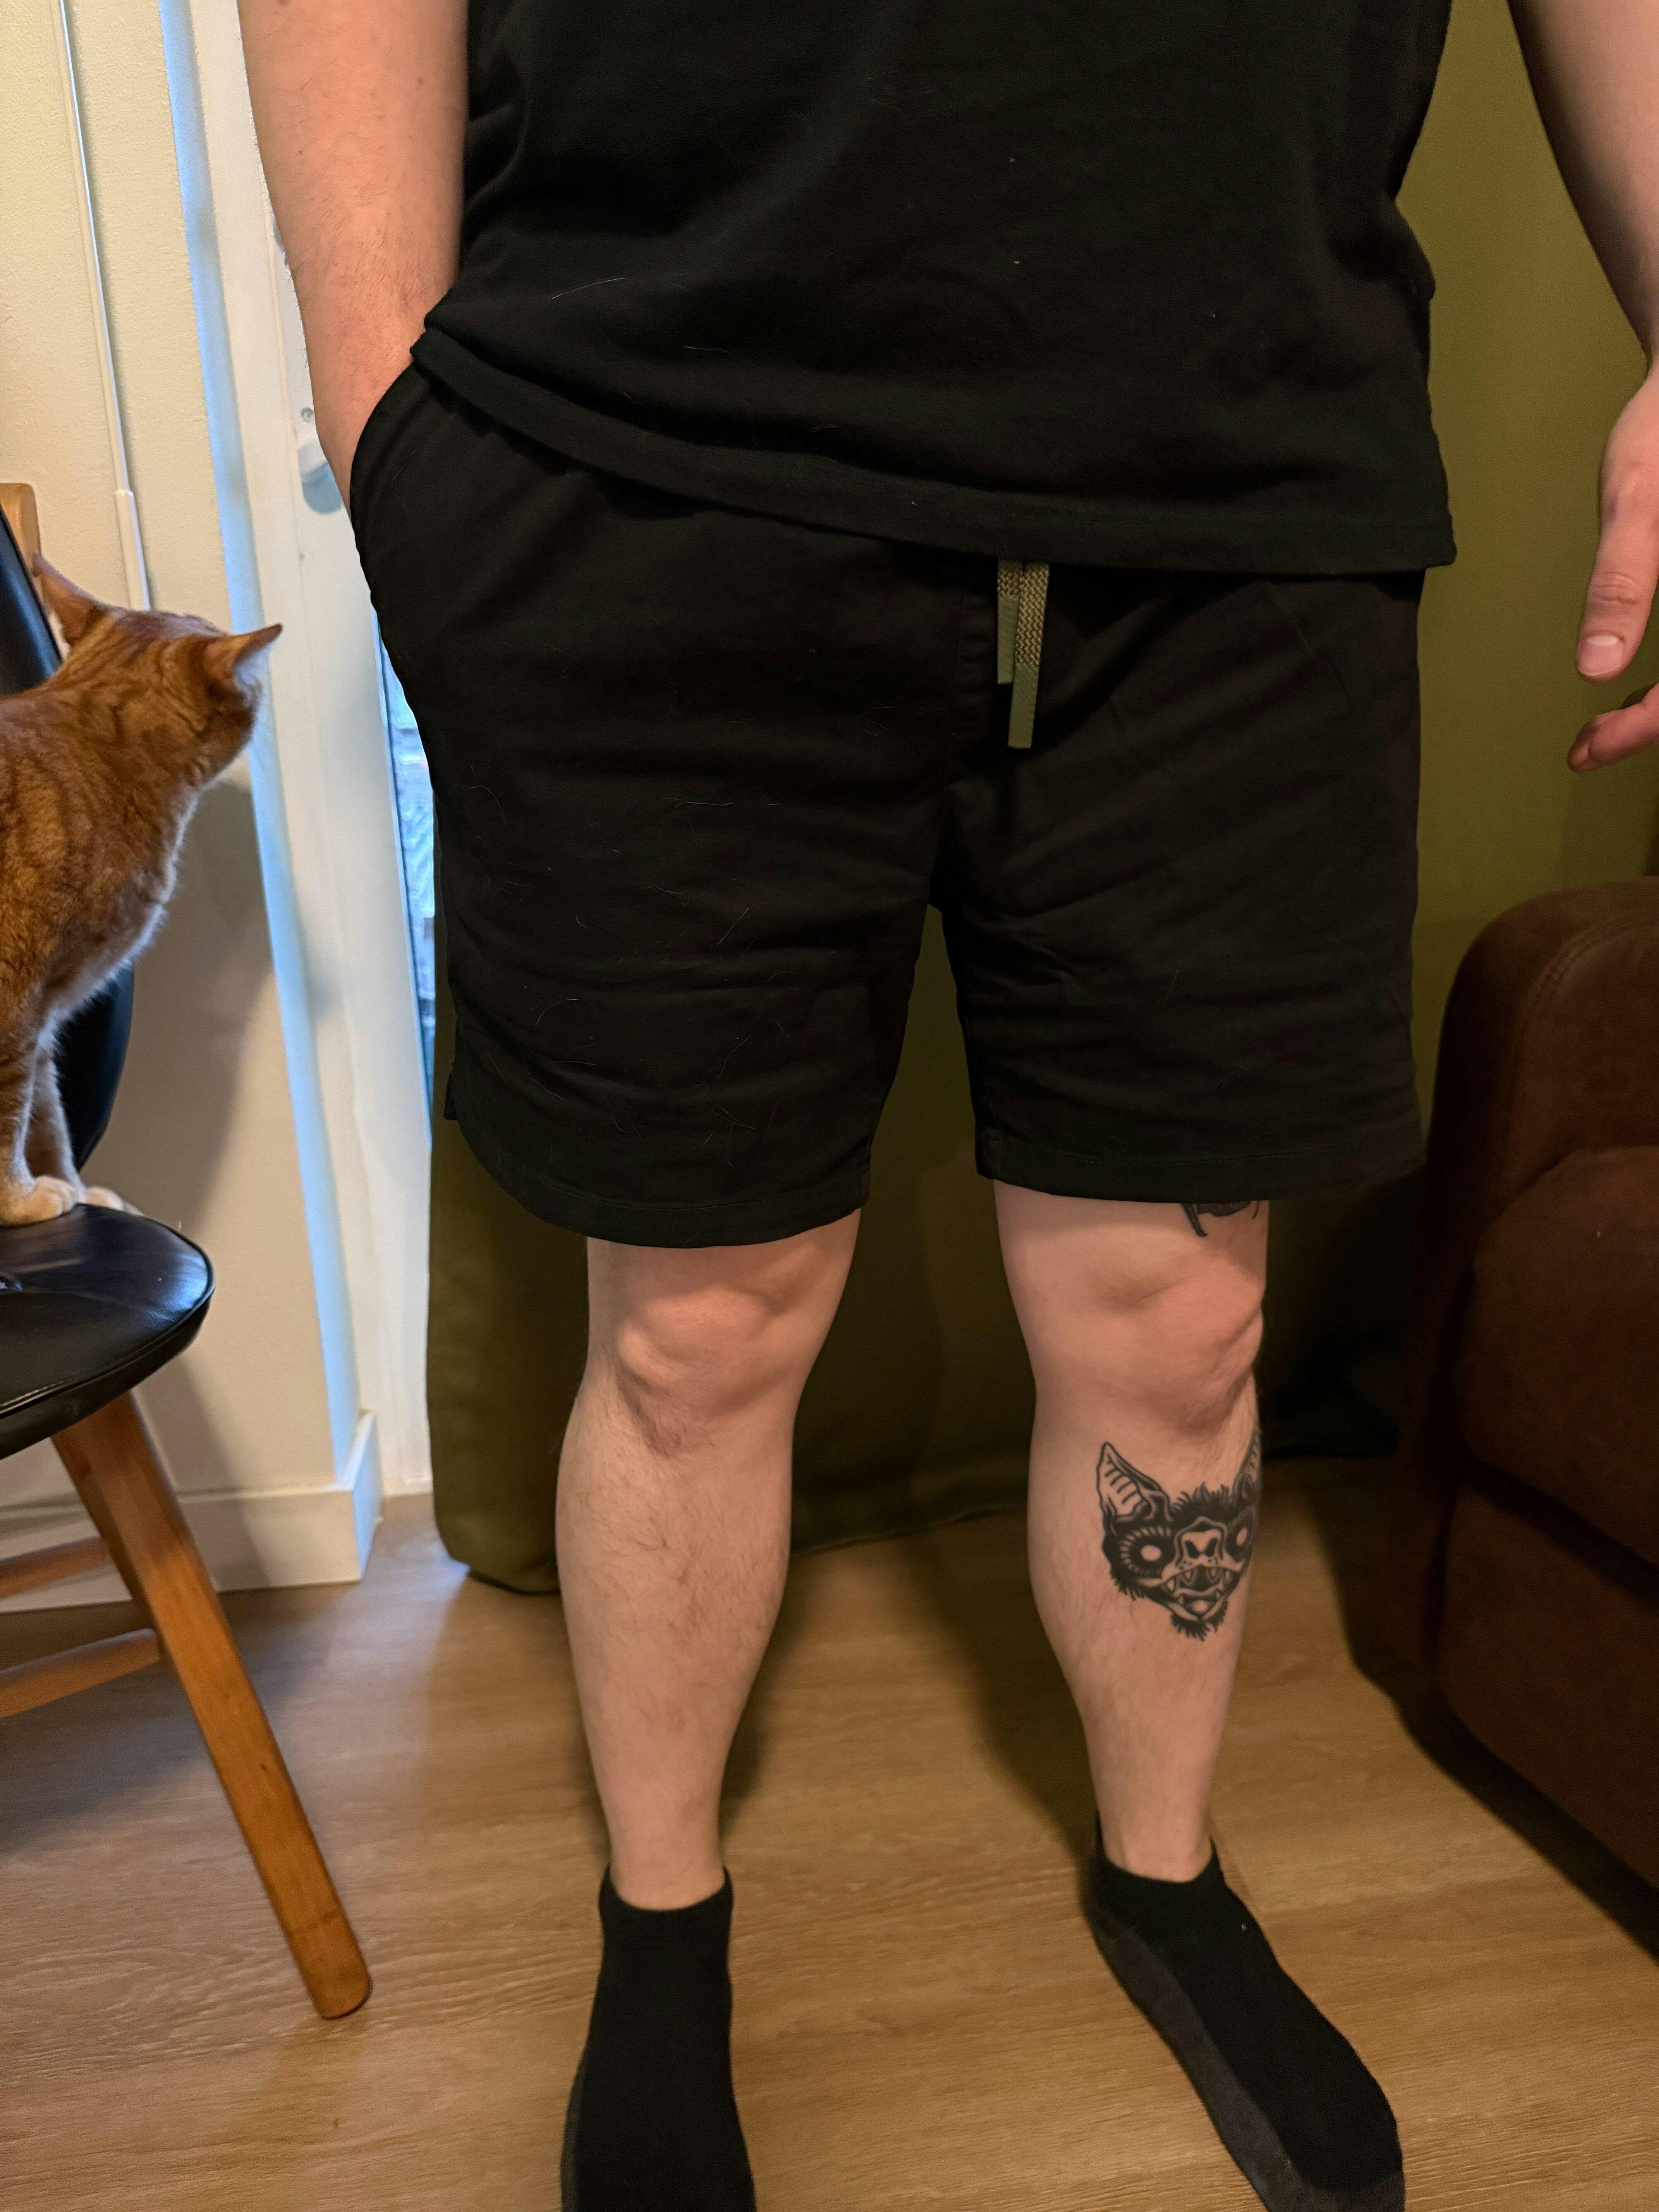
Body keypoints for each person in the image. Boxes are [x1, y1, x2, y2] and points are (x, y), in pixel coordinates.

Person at [237, 4, 1659, 2205]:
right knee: (698, 1332)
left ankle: (1168, 1879)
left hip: (1244, 484)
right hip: (654, 453)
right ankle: (661, 1923)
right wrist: (385, 408)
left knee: (1178, 1324)